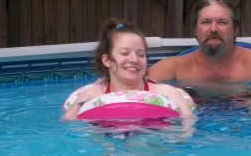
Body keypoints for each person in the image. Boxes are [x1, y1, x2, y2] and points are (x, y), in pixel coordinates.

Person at [62, 18, 194, 120]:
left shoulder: (166, 93)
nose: (134, 59)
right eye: (125, 53)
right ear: (107, 60)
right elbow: (69, 123)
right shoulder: (93, 95)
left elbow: (188, 126)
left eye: (141, 54)